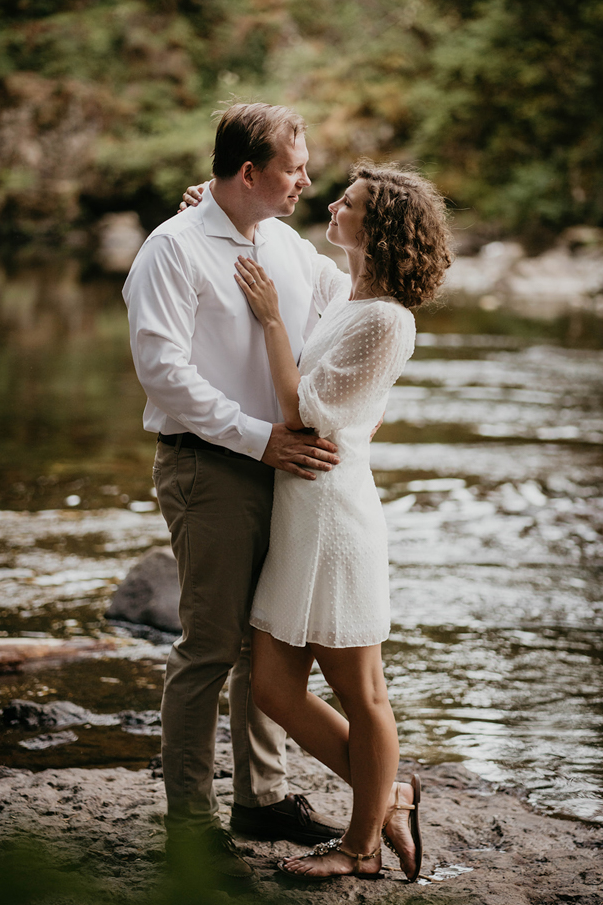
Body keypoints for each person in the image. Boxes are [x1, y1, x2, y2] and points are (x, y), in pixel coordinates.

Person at [122, 103, 349, 892]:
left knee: (272, 643)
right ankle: (188, 824)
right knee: (209, 647)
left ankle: (262, 800)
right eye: (295, 168)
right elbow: (164, 375)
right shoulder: (172, 249)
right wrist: (260, 438)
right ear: (249, 172)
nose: (306, 183)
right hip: (210, 470)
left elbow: (348, 299)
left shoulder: (283, 243)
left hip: (282, 470)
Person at [232, 161, 453, 882]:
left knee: (363, 692)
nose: (332, 203)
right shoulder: (349, 300)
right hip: (302, 507)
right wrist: (222, 203)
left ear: (377, 226)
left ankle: (359, 850)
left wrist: (268, 322)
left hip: (332, 515)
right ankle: (387, 795)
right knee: (272, 687)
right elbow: (294, 258)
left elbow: (308, 414)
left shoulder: (388, 320)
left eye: (348, 202)